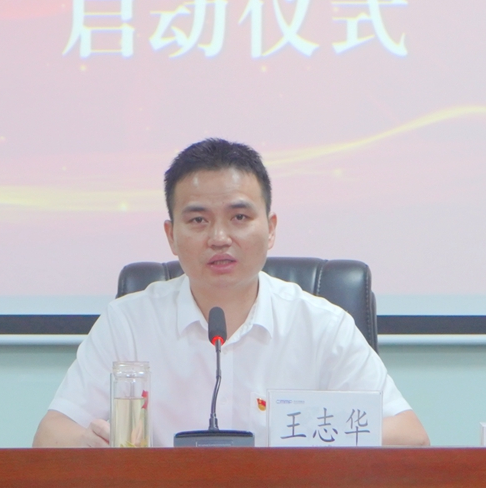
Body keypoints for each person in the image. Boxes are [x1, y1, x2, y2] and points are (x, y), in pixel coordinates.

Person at [33, 138, 430, 447]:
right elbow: (50, 434)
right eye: (198, 220)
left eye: (239, 217)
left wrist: (304, 437)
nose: (219, 237)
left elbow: (411, 437)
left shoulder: (322, 326)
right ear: (171, 236)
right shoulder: (129, 322)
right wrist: (89, 446)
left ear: (271, 229)